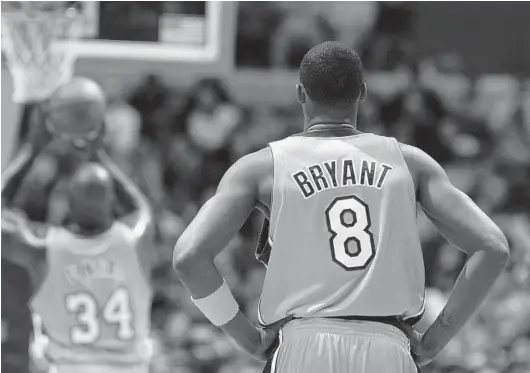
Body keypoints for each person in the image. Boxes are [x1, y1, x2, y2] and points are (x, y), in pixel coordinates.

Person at [172, 41, 510, 372]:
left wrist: (246, 338)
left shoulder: (261, 167)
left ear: (300, 93)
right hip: (386, 345)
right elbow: (492, 247)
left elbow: (188, 257)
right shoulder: (410, 163)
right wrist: (436, 340)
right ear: (362, 92)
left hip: (302, 344)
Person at [1, 79, 154, 373]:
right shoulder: (135, 242)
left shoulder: (45, 249)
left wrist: (31, 149)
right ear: (113, 205)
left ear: (67, 209)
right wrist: (96, 151)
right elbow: (140, 208)